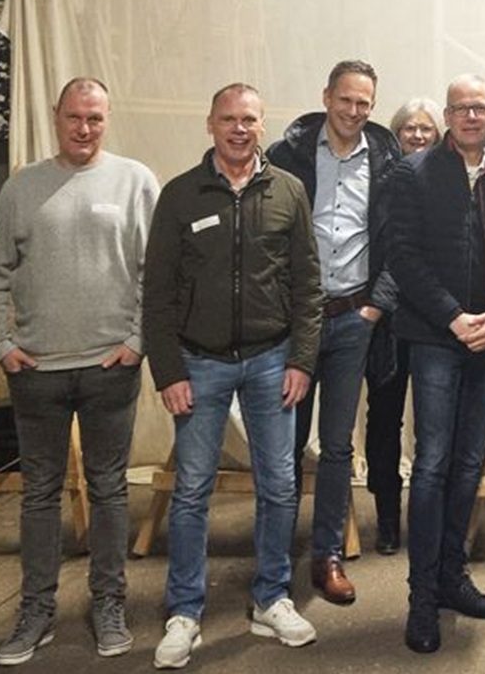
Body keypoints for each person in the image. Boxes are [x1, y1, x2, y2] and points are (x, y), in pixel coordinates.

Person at [142, 84, 323, 669]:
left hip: (272, 359)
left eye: (249, 119)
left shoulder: (288, 191)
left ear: (261, 125)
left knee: (280, 484)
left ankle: (271, 598)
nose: (239, 129)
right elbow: (157, 293)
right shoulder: (180, 195)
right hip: (198, 362)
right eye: (228, 119)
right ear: (210, 124)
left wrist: (301, 359)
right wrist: (168, 370)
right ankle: (184, 612)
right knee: (193, 490)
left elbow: (308, 284)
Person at [0, 79, 161, 665]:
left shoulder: (136, 181)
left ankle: (109, 604)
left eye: (94, 118)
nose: (83, 128)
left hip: (110, 367)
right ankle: (36, 611)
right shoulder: (21, 187)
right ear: (55, 116)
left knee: (110, 489)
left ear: (107, 119)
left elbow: (154, 270)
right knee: (39, 494)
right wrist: (3, 343)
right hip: (36, 370)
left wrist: (137, 342)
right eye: (73, 117)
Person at [378, 76, 485, 653]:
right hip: (435, 339)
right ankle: (422, 596)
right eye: (461, 108)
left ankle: (452, 576)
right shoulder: (413, 174)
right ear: (447, 115)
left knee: (469, 465)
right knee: (432, 466)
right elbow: (403, 255)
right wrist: (453, 317)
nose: (471, 116)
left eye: (480, 108)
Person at [265, 60, 400, 605]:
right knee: (286, 444)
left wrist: (376, 306)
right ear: (326, 97)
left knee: (339, 447)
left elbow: (400, 240)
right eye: (345, 99)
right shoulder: (286, 156)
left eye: (364, 103)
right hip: (295, 322)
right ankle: (275, 558)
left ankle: (328, 556)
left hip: (353, 320)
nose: (353, 111)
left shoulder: (388, 163)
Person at [361, 97, 441, 554]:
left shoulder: (449, 179)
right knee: (384, 421)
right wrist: (379, 303)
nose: (417, 135)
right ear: (396, 134)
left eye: (426, 128)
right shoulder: (383, 180)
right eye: (409, 128)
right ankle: (387, 516)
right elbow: (391, 249)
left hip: (433, 320)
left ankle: (429, 518)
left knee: (434, 425)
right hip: (387, 324)